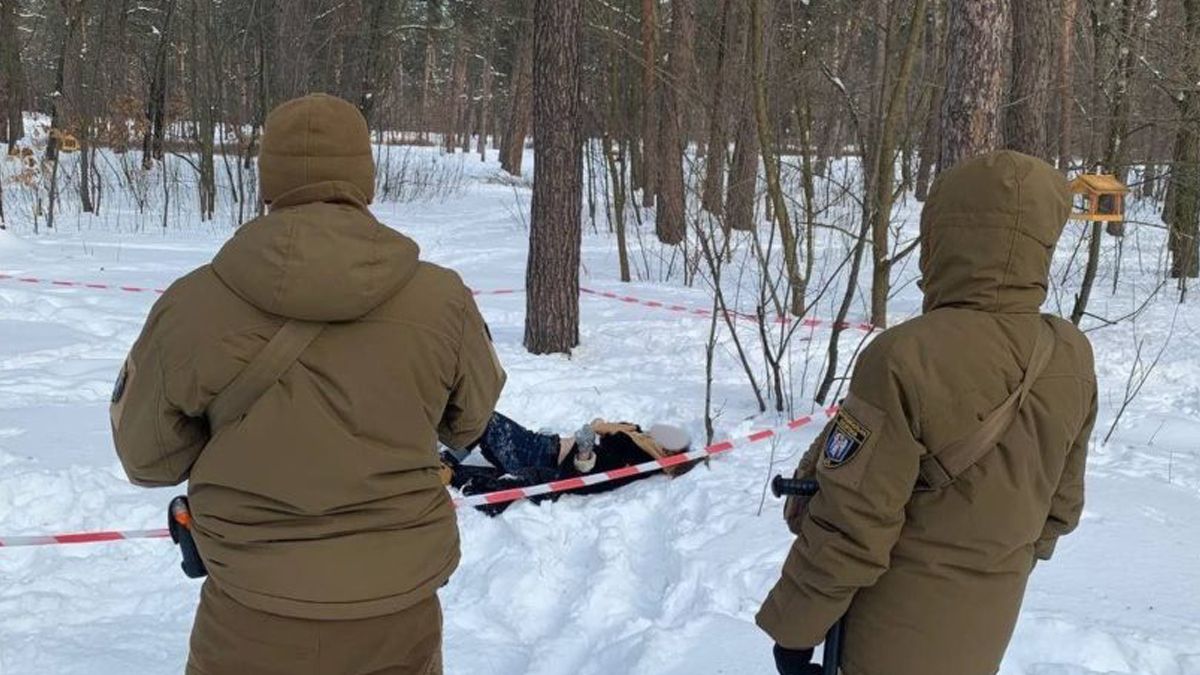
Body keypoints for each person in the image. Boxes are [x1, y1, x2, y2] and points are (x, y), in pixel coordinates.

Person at [110, 93, 505, 675]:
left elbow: (148, 458)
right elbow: (469, 424)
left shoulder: (191, 305)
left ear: (268, 181)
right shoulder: (443, 300)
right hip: (397, 613)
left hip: (249, 614)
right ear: (365, 178)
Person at [757, 151, 1098, 675]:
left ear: (942, 236)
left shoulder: (904, 356)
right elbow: (1061, 508)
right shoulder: (1069, 353)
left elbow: (852, 522)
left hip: (888, 631)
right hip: (988, 625)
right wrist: (994, 565)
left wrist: (795, 632)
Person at [441, 412, 694, 513]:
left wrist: (584, 451)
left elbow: (591, 477)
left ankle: (445, 464)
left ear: (665, 453)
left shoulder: (638, 457)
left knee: (484, 418)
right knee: (483, 422)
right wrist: (599, 428)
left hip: (544, 455)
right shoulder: (638, 435)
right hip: (545, 445)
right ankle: (446, 466)